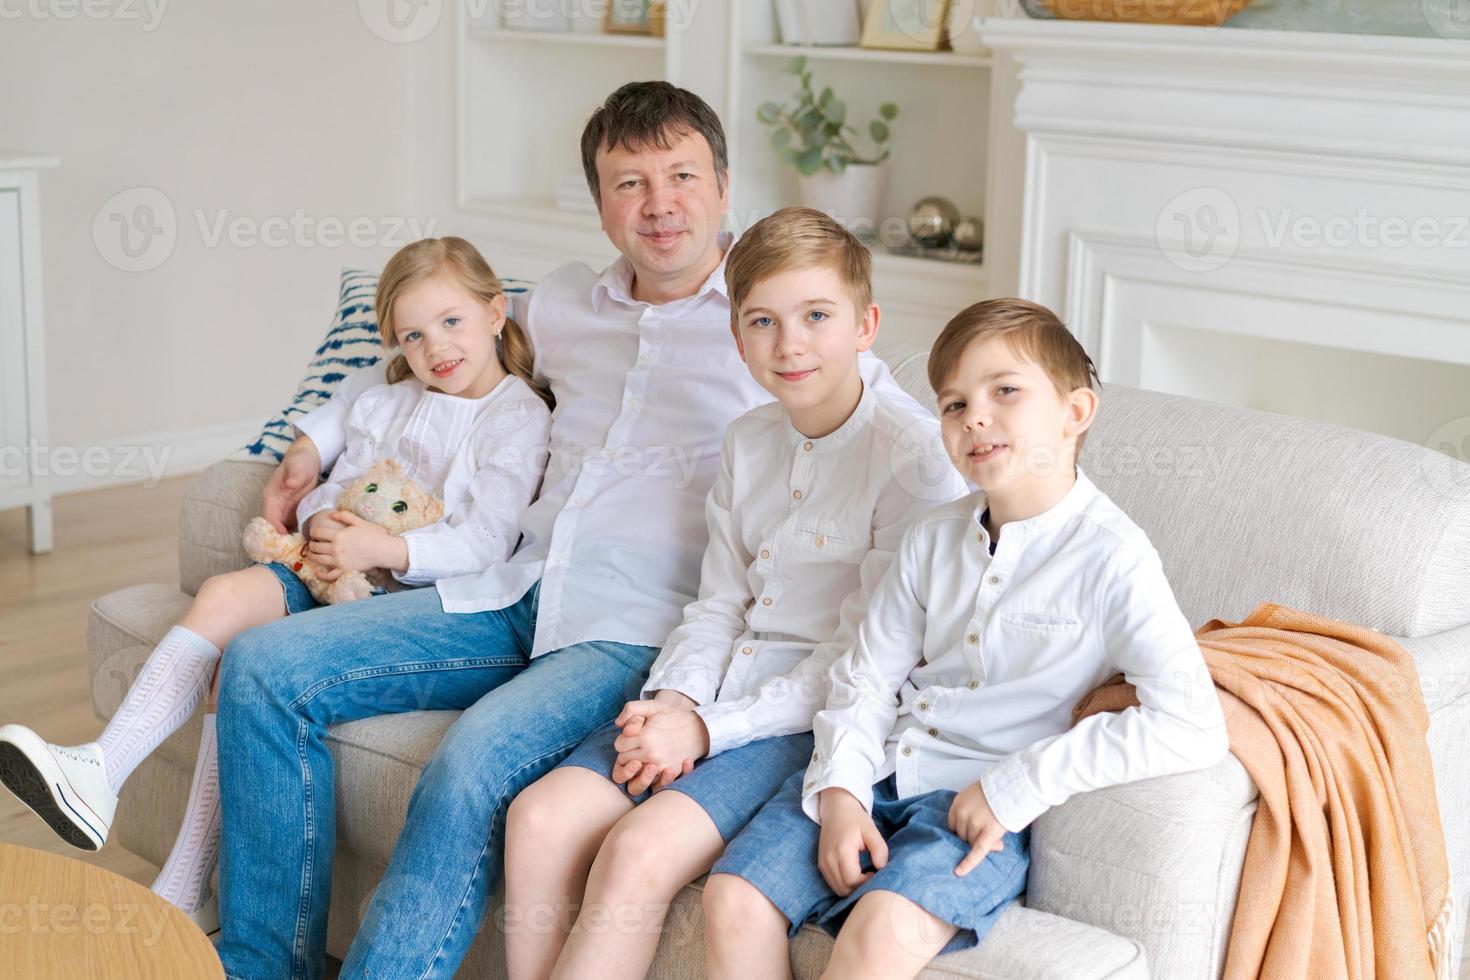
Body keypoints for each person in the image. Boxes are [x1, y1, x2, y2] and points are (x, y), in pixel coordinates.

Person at [212, 83, 923, 980]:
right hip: (504, 587)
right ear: (599, 205)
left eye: (681, 175)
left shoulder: (772, 321)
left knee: (469, 767)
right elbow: (432, 343)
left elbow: (901, 426)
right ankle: (260, 969)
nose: (658, 204)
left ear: (724, 184)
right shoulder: (554, 304)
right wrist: (312, 443)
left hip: (635, 630)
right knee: (262, 668)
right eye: (629, 183)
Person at [0, 236, 551, 937]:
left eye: (451, 322)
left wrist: (382, 545)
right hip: (331, 572)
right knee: (225, 598)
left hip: (407, 602)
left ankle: (183, 887)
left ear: (496, 311)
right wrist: (325, 526)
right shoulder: (390, 403)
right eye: (412, 336)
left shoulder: (516, 417)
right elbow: (334, 484)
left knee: (244, 667)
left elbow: (485, 541)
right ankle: (100, 770)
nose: (434, 348)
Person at [702, 298, 1231, 980]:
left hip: (974, 805)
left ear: (1075, 413)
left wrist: (1019, 785)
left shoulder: (1113, 559)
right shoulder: (932, 538)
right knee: (732, 898)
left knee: (879, 932)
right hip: (879, 772)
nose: (974, 416)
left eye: (1004, 391)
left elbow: (1192, 724)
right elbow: (865, 677)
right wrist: (840, 793)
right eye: (953, 404)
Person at [501, 207, 967, 980]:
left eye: (817, 315)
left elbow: (863, 659)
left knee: (637, 852)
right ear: (737, 334)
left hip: (807, 715)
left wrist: (709, 732)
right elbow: (717, 603)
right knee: (540, 817)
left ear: (866, 323)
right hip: (715, 690)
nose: (790, 344)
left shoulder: (913, 459)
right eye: (762, 321)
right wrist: (678, 701)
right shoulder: (748, 440)